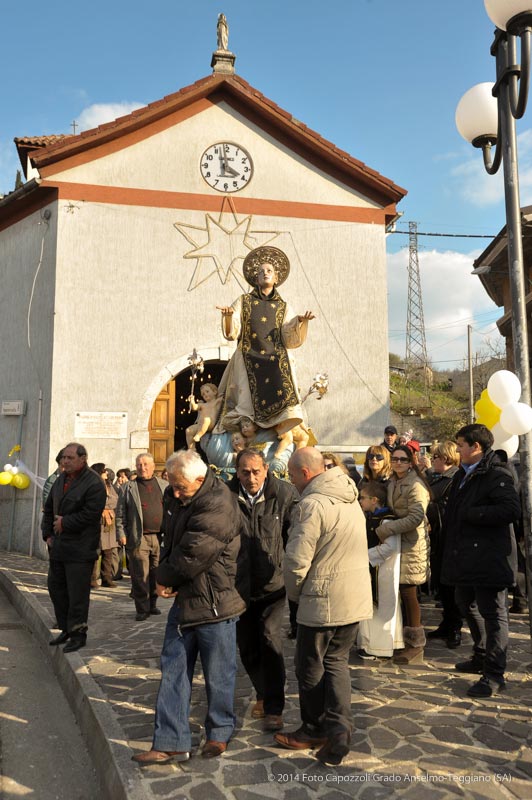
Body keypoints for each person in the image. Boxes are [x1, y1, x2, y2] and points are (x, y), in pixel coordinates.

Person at [131, 450, 246, 765]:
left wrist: (164, 577)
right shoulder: (177, 495)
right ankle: (170, 743)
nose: (175, 492)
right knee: (173, 672)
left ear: (200, 478)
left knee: (219, 675)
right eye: (173, 485)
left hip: (215, 605)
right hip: (187, 601)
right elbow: (172, 543)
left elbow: (194, 551)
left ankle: (219, 734)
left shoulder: (219, 503)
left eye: (181, 487)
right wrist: (165, 575)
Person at [274, 447, 372, 767]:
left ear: (305, 473)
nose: (290, 481)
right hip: (353, 597)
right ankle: (340, 732)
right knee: (337, 664)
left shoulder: (312, 504)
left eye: (291, 475)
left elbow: (297, 561)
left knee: (309, 667)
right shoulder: (349, 497)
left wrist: (295, 595)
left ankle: (314, 728)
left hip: (322, 599)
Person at [440, 424, 520, 698]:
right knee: (465, 604)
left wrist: (473, 514)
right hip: (465, 557)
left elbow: (510, 510)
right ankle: (481, 654)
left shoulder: (496, 473)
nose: (457, 449)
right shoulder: (464, 473)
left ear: (476, 447)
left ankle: (494, 675)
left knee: (494, 615)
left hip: (489, 559)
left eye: (461, 444)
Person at [228, 449, 298, 732]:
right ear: (237, 471)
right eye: (245, 472)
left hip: (273, 585)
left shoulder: (283, 494)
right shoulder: (226, 495)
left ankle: (274, 706)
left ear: (266, 469)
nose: (251, 478)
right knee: (247, 644)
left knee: (270, 639)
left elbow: (294, 536)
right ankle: (261, 690)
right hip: (238, 585)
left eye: (256, 471)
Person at [215, 246, 314, 436]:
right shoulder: (244, 301)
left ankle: (279, 423)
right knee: (245, 398)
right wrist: (228, 317)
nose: (265, 273)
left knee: (283, 373)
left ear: (276, 278)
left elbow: (288, 335)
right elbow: (232, 331)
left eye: (269, 271)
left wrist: (300, 322)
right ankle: (249, 427)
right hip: (248, 355)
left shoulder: (283, 306)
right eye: (261, 272)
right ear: (256, 279)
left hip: (275, 357)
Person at [42, 443, 106, 653]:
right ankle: (66, 629)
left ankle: (78, 634)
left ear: (82, 459)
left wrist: (66, 523)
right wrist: (48, 534)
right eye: (63, 458)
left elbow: (91, 514)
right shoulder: (61, 480)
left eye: (69, 458)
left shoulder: (94, 482)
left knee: (77, 594)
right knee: (56, 588)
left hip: (81, 549)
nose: (65, 461)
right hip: (59, 547)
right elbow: (49, 508)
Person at [375, 445, 430, 664]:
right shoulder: (393, 482)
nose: (398, 463)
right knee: (400, 591)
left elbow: (416, 517)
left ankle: (416, 643)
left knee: (409, 591)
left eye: (403, 460)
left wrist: (387, 528)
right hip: (397, 542)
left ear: (411, 461)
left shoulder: (415, 485)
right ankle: (402, 640)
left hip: (412, 544)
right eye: (395, 459)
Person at [116, 453, 168, 620]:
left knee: (156, 573)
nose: (142, 468)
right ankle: (142, 609)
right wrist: (121, 533)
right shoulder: (128, 487)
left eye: (146, 464)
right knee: (140, 575)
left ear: (153, 467)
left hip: (160, 538)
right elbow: (120, 514)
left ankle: (152, 604)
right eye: (139, 465)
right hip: (139, 538)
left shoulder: (165, 485)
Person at [357, 481, 403, 659]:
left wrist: (364, 556)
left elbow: (389, 547)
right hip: (374, 567)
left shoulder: (387, 519)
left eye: (363, 498)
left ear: (374, 500)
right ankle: (369, 644)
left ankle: (378, 647)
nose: (360, 501)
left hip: (383, 570)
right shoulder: (372, 516)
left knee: (382, 607)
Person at [425, 441, 463, 648]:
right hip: (438, 537)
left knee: (450, 586)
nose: (432, 461)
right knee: (442, 584)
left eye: (435, 457)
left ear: (446, 458)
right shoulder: (437, 478)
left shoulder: (454, 478)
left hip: (448, 537)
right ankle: (446, 623)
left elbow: (443, 507)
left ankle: (454, 627)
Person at [90, 463, 120, 588]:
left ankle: (107, 578)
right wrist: (104, 504)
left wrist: (106, 505)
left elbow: (115, 500)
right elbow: (95, 502)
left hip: (108, 524)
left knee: (108, 553)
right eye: (104, 471)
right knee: (95, 553)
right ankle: (92, 579)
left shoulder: (109, 486)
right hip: (96, 523)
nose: (106, 473)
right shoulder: (91, 485)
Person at [186, 383, 223, 449]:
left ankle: (198, 435)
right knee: (188, 430)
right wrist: (192, 401)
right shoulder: (202, 405)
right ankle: (191, 450)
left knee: (206, 420)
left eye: (207, 391)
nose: (205, 394)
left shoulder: (216, 402)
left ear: (215, 392)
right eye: (203, 394)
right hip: (200, 424)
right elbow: (194, 407)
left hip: (210, 423)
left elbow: (226, 397)